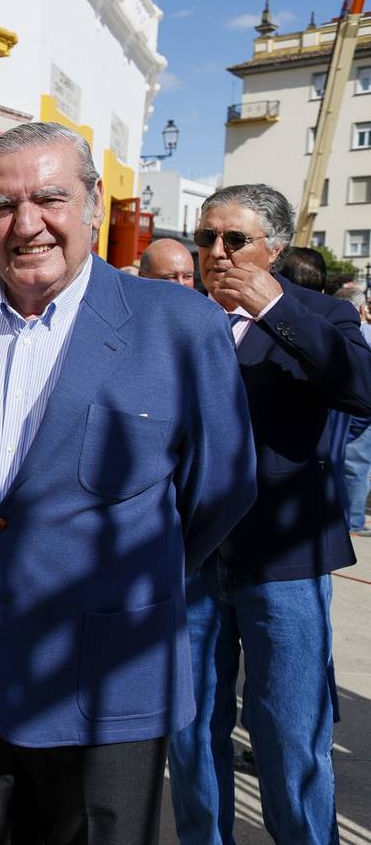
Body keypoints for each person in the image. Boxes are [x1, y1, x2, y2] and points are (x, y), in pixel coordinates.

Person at [0, 122, 257, 843]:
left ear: (94, 204)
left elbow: (221, 486)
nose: (26, 223)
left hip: (109, 672)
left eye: (50, 198)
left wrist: (132, 577)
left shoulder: (180, 325)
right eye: (2, 206)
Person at [169, 184, 371, 844]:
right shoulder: (177, 318)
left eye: (236, 240)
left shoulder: (318, 314)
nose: (217, 253)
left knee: (289, 730)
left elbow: (360, 387)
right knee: (193, 729)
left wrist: (277, 309)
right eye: (206, 239)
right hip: (192, 558)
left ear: (275, 249)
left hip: (284, 558)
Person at [335, 285, 371, 535]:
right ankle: (354, 521)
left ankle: (354, 521)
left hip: (356, 416)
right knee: (356, 468)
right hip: (356, 416)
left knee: (354, 467)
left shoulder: (360, 333)